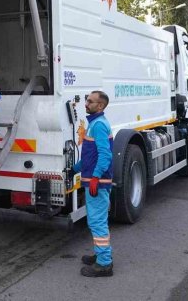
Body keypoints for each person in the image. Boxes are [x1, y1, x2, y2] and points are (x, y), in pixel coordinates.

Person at [73, 90, 113, 277]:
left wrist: (96, 177)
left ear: (101, 106)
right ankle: (100, 255)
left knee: (97, 222)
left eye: (90, 101)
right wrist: (75, 168)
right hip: (93, 180)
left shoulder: (98, 125)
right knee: (95, 220)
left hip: (98, 182)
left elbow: (105, 155)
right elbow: (91, 156)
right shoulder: (94, 124)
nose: (86, 104)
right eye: (87, 100)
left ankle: (104, 263)